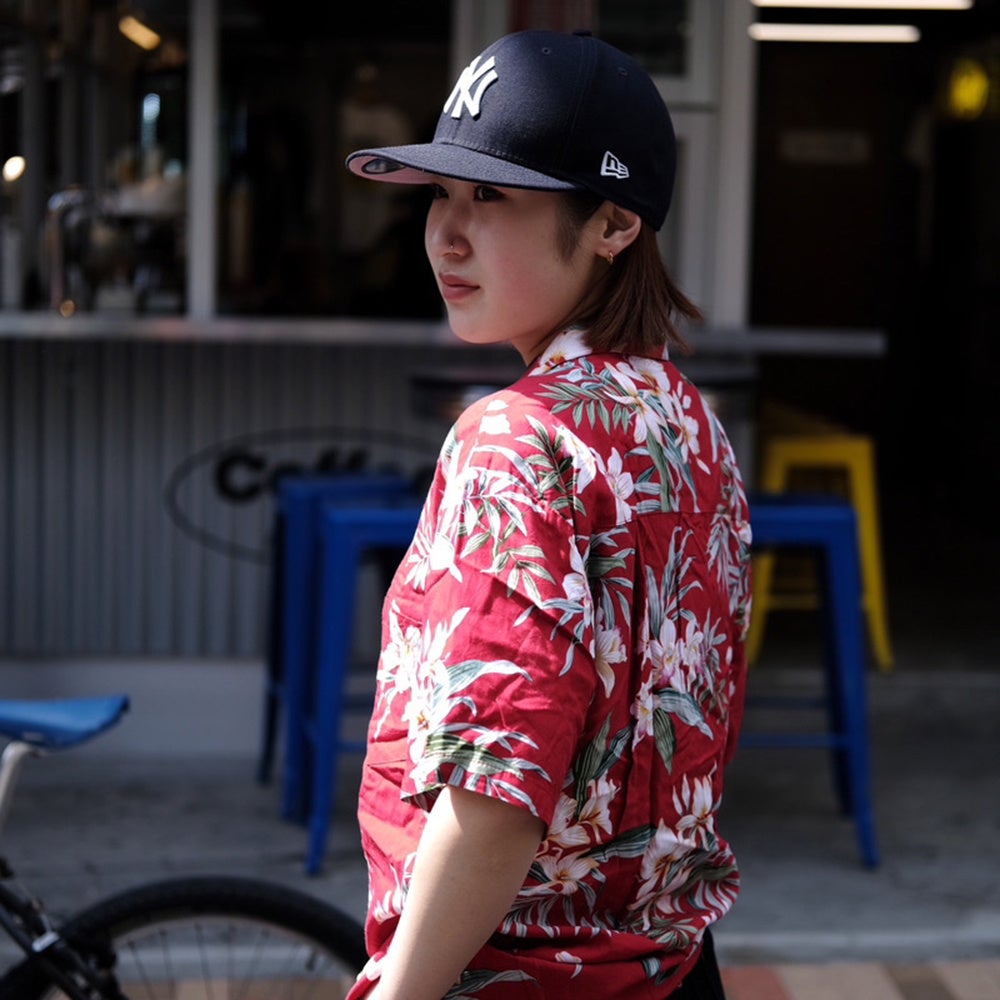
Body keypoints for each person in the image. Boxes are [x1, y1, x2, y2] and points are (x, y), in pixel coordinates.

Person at [343, 28, 752, 1000]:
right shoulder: (685, 420)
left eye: (491, 197)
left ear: (614, 224)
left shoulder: (515, 438)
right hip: (669, 968)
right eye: (440, 194)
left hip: (524, 973)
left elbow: (496, 790)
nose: (446, 235)